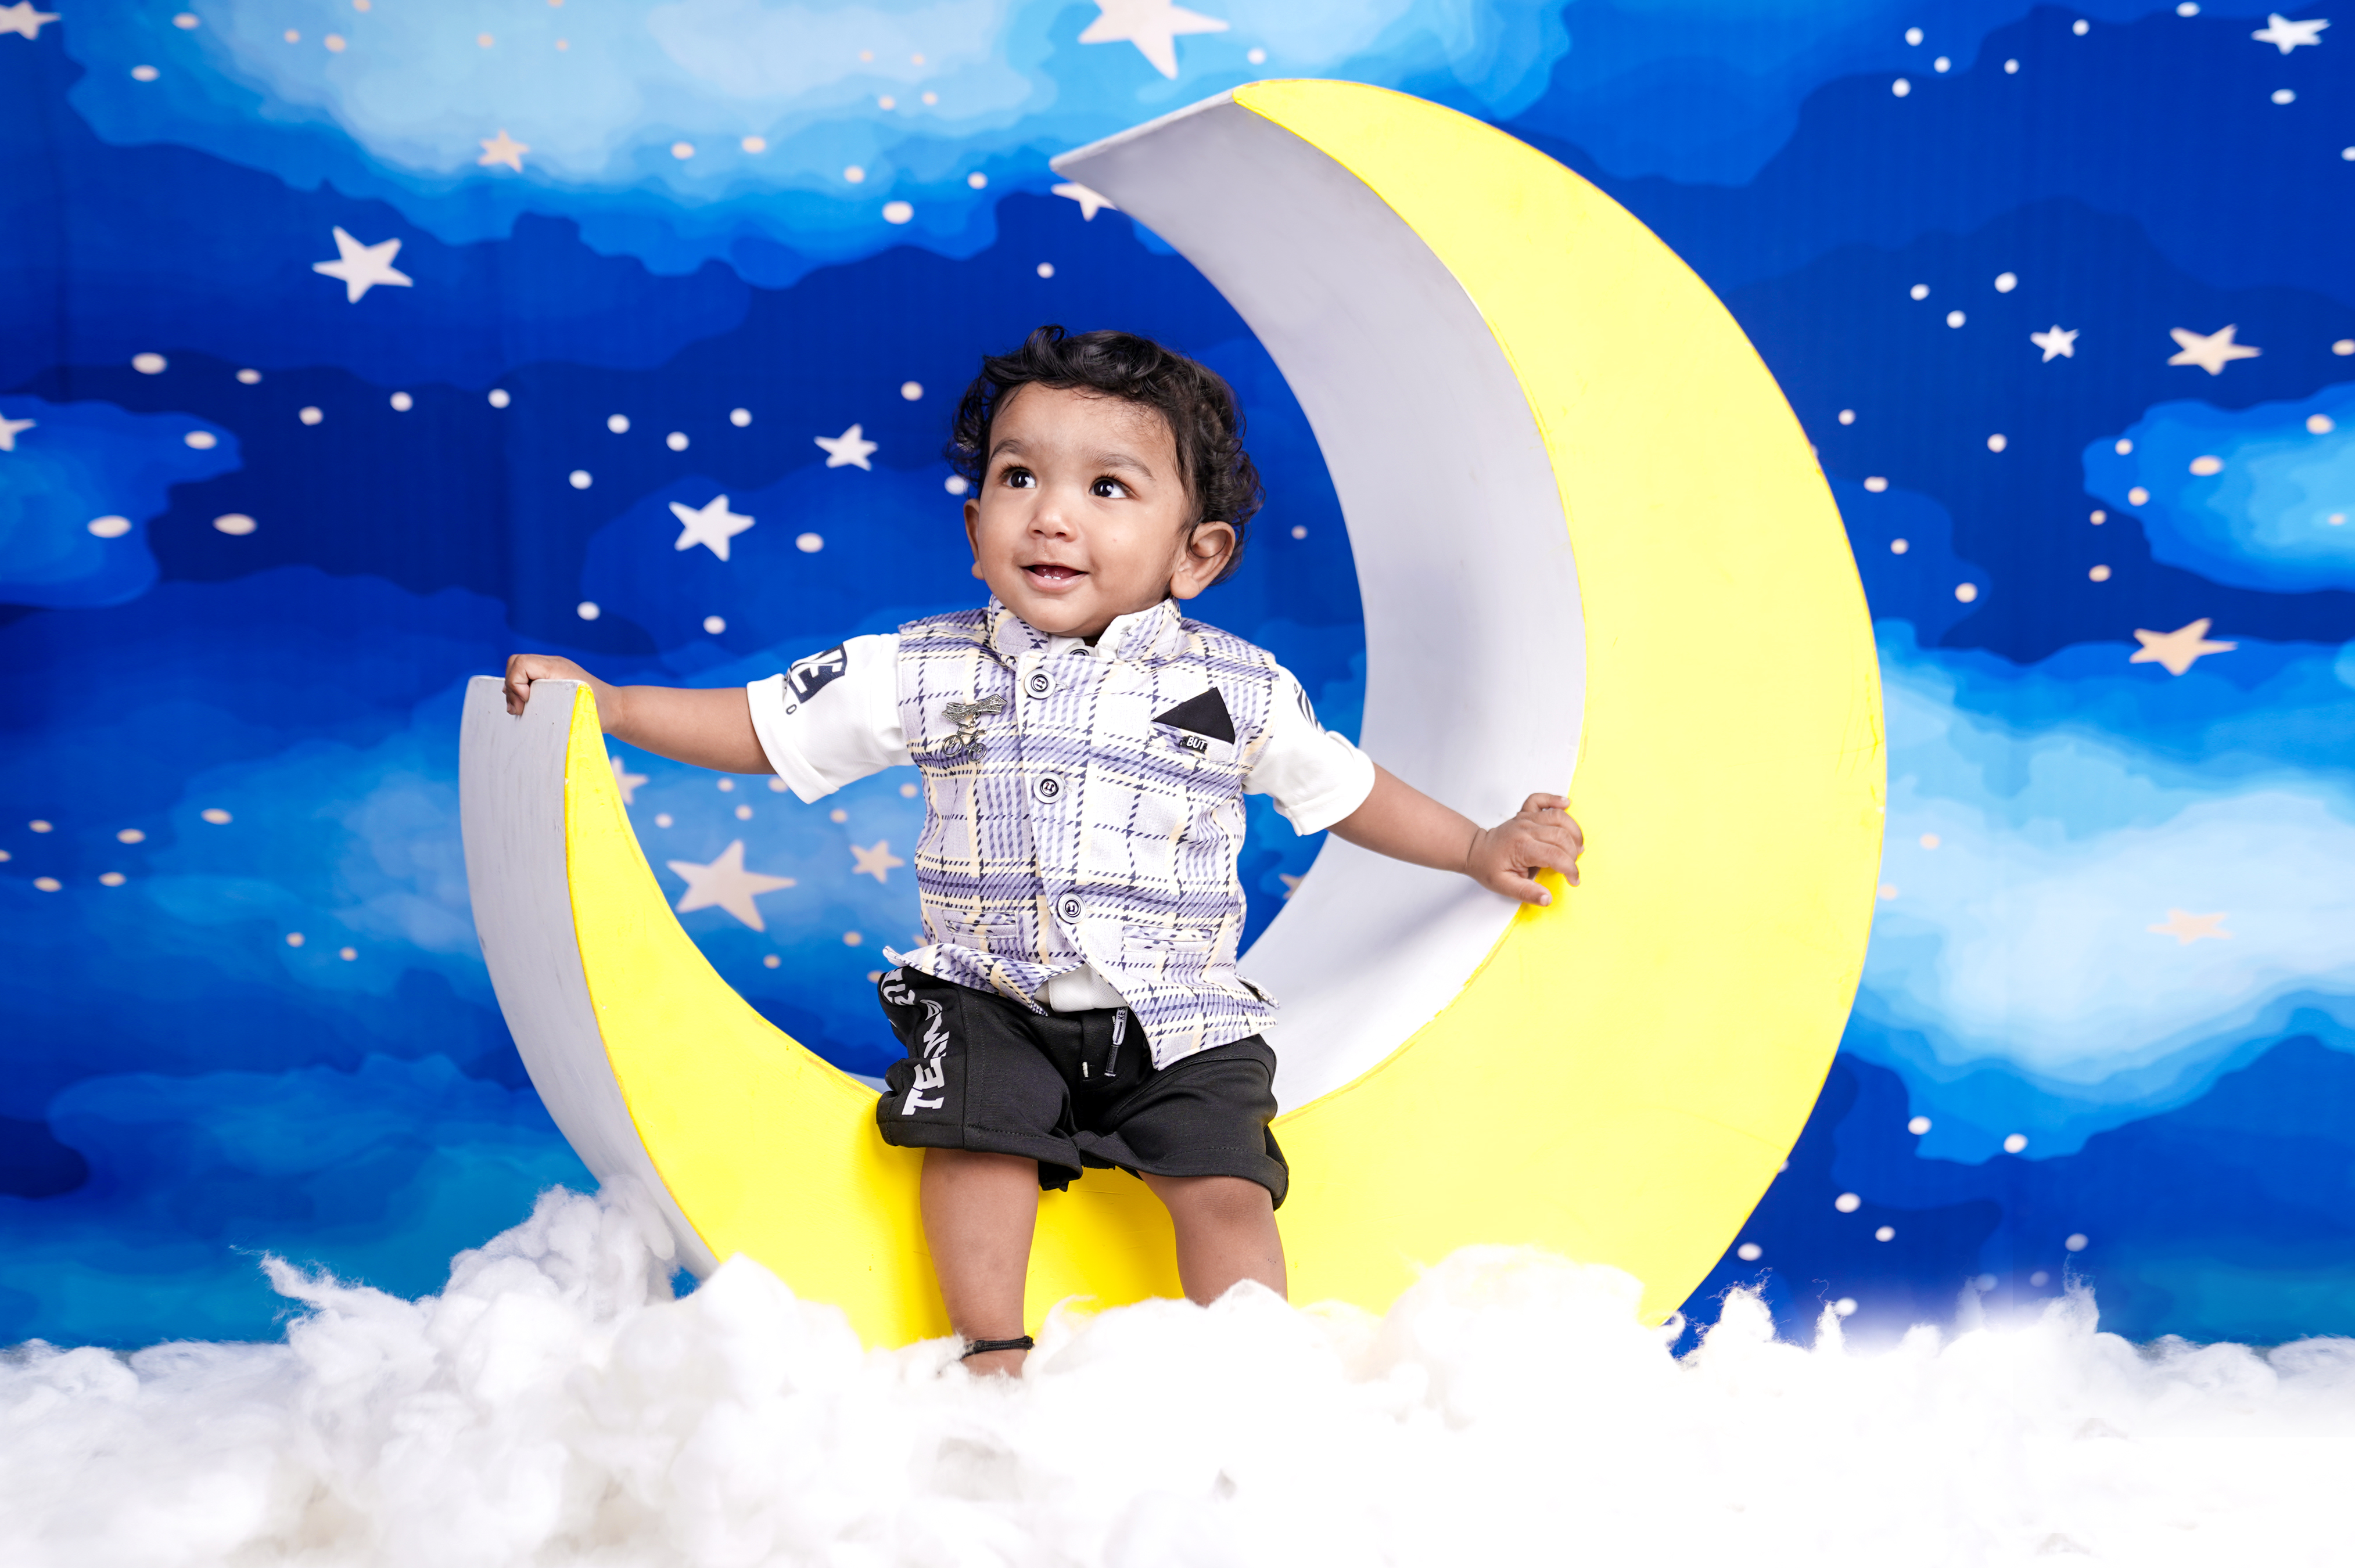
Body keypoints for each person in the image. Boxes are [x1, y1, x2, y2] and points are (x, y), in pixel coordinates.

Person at [503, 326, 1584, 1375]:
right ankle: (992, 1355)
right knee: (978, 1142)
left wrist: (1477, 844)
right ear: (977, 528)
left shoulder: (1239, 689)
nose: (1054, 516)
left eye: (1108, 488)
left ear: (1197, 554)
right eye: (1020, 478)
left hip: (1178, 1012)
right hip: (992, 995)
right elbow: (758, 725)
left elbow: (1348, 791)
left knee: (1228, 1186)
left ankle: (1254, 1369)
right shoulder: (925, 668)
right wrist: (612, 705)